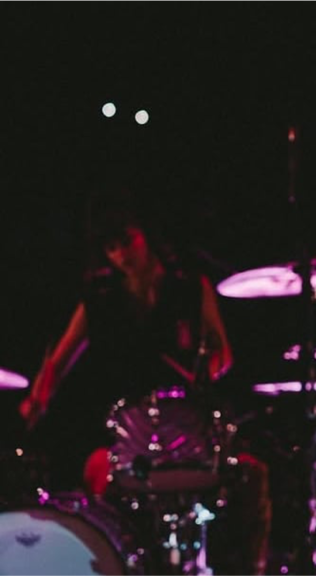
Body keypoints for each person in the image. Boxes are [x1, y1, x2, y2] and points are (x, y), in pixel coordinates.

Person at [18, 194, 271, 576]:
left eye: (127, 241)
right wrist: (38, 397)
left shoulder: (191, 287)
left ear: (146, 235)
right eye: (111, 248)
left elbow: (223, 353)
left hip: (190, 429)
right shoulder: (100, 300)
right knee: (96, 472)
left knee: (253, 476)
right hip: (127, 438)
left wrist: (205, 371)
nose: (121, 255)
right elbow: (58, 360)